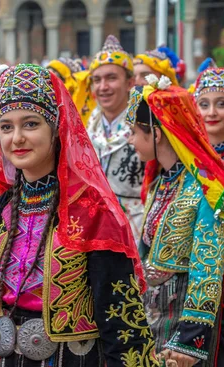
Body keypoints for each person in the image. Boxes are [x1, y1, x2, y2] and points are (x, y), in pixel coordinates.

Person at [0, 63, 164, 367]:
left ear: (56, 127)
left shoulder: (92, 210)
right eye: (6, 127)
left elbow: (119, 315)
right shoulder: (4, 208)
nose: (16, 138)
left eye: (30, 124)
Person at [126, 77, 224, 367]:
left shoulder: (203, 188)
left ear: (157, 133)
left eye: (135, 131)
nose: (130, 139)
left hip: (188, 322)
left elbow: (208, 264)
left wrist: (192, 338)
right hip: (157, 318)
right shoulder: (163, 182)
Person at [86, 35, 144, 242]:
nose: (103, 87)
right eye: (97, 80)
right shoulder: (87, 125)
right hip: (93, 226)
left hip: (137, 227)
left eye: (111, 78)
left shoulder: (145, 125)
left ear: (130, 83)